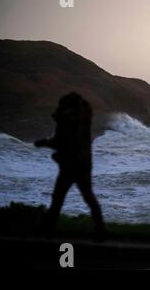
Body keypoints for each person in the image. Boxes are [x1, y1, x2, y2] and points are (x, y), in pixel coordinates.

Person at [35, 92, 106, 241]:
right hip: (84, 165)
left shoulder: (68, 122)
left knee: (58, 197)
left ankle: (48, 229)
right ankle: (100, 229)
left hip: (70, 166)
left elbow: (62, 141)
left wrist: (44, 142)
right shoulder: (84, 119)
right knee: (89, 197)